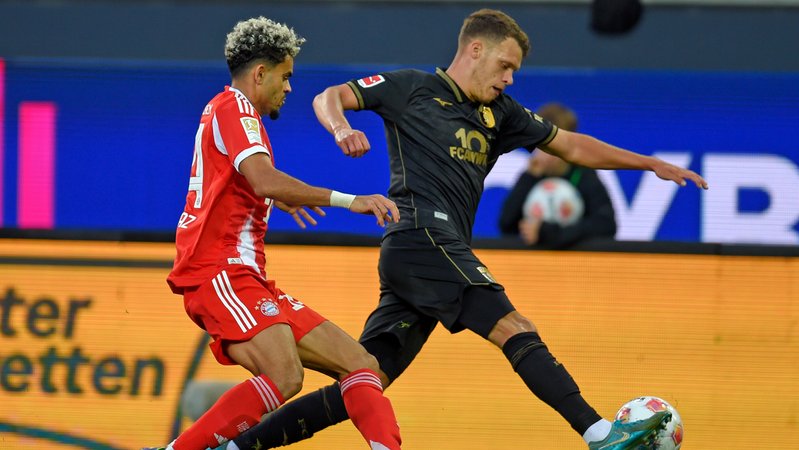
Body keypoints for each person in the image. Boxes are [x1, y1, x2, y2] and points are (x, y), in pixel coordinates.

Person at [216, 9, 707, 450]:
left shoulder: (502, 115)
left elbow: (571, 147)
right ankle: (599, 434)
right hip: (421, 238)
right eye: (505, 66)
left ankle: (236, 447)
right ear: (476, 49)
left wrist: (648, 164)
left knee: (364, 380)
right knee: (514, 326)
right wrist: (341, 128)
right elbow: (330, 97)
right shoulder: (411, 88)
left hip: (426, 257)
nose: (510, 79)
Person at [146, 17, 405, 450]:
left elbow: (246, 180)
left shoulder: (227, 112)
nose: (289, 88)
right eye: (285, 77)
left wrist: (272, 197)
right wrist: (349, 199)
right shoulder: (235, 108)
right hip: (221, 270)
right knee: (285, 376)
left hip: (246, 275)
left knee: (362, 365)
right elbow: (262, 177)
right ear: (259, 74)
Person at [498, 102, 617, 248]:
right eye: (540, 143)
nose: (546, 151)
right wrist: (529, 177)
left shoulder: (583, 175)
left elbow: (606, 225)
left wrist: (549, 232)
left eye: (553, 143)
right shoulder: (531, 176)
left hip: (574, 265)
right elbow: (506, 225)